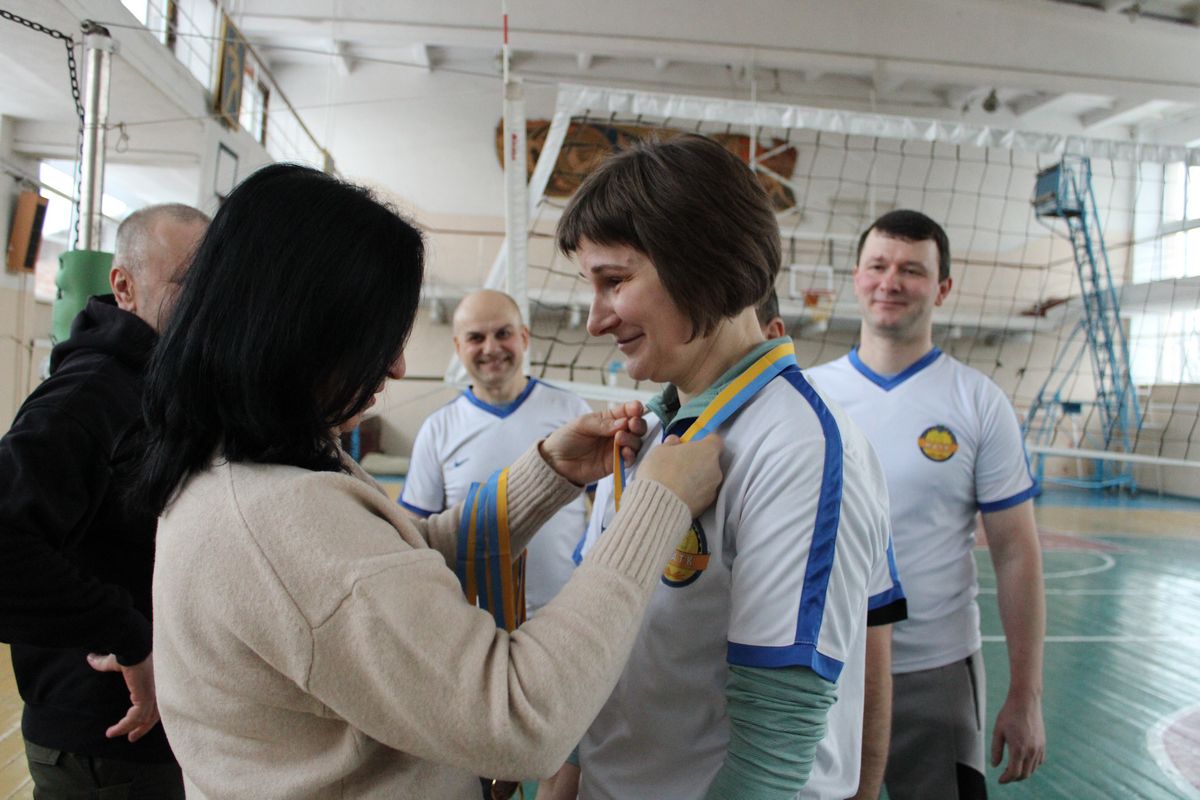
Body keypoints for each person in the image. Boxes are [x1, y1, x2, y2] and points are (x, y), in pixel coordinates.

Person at [135, 163, 724, 799]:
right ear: (302, 331)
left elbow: (392, 567)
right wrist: (655, 507)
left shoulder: (245, 468)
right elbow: (519, 717)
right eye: (377, 339)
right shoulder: (277, 517)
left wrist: (548, 475)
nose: (395, 366)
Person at [555, 134, 896, 800]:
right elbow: (605, 658)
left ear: (699, 265)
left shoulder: (797, 447)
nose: (595, 320)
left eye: (614, 282)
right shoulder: (652, 434)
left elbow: (772, 755)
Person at [806, 209, 1046, 798]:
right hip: (822, 667)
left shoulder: (978, 402)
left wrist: (1026, 695)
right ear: (856, 278)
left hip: (935, 669)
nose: (890, 282)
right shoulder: (809, 395)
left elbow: (1016, 552)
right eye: (878, 266)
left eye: (911, 270)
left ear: (942, 288)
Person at [0, 203, 209, 798]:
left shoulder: (166, 389)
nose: (205, 300)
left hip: (167, 729)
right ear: (123, 286)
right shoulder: (88, 394)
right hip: (105, 741)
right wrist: (127, 632)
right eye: (186, 282)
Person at [756, 290, 906, 800]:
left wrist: (865, 790)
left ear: (774, 336)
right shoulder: (640, 438)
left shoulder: (833, 451)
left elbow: (874, 649)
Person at [401, 288, 593, 618]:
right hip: (474, 622)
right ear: (458, 347)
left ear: (524, 337)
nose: (491, 348)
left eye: (503, 334)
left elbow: (608, 509)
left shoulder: (571, 411)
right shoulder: (438, 429)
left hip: (566, 614)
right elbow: (414, 533)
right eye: (476, 337)